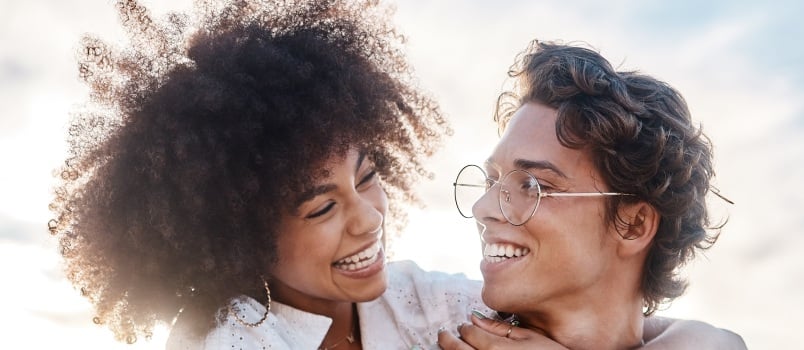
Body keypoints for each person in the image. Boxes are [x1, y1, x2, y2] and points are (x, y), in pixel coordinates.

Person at [49, 0, 742, 348]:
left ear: (634, 223)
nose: (367, 218)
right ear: (241, 235)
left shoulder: (437, 312)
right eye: (319, 207)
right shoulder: (231, 338)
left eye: (369, 174)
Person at [440, 40, 746, 349]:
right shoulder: (422, 312)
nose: (483, 208)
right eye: (491, 182)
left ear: (634, 224)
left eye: (534, 186)